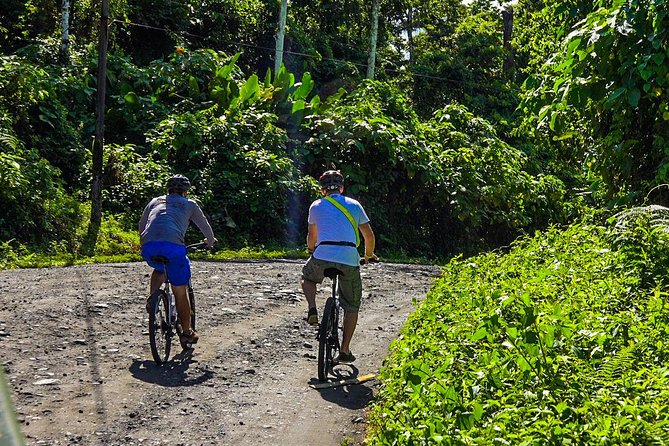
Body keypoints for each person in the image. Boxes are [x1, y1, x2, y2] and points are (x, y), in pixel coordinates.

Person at [301, 170, 378, 364]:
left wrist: (311, 250)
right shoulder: (354, 205)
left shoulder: (316, 206)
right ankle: (344, 350)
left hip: (323, 254)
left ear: (323, 190)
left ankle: (312, 309)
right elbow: (369, 236)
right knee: (351, 306)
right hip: (349, 258)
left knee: (307, 277)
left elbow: (312, 236)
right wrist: (368, 255)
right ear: (342, 188)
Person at [138, 174, 216, 344]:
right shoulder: (189, 204)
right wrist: (209, 242)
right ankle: (187, 332)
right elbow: (206, 229)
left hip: (149, 246)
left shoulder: (154, 201)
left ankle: (153, 298)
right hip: (173, 247)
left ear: (168, 190)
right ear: (186, 192)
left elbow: (142, 226)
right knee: (180, 291)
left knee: (159, 268)